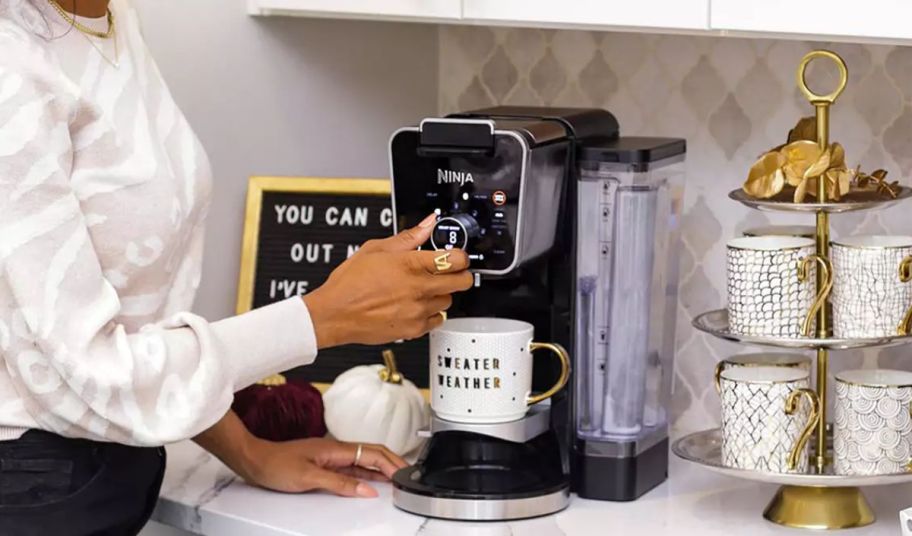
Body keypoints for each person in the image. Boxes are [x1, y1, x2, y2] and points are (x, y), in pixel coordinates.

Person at [0, 0, 472, 533]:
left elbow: (136, 325)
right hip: (28, 489)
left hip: (112, 469)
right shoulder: (12, 66)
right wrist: (320, 318)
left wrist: (248, 451)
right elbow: (90, 371)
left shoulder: (106, 16)